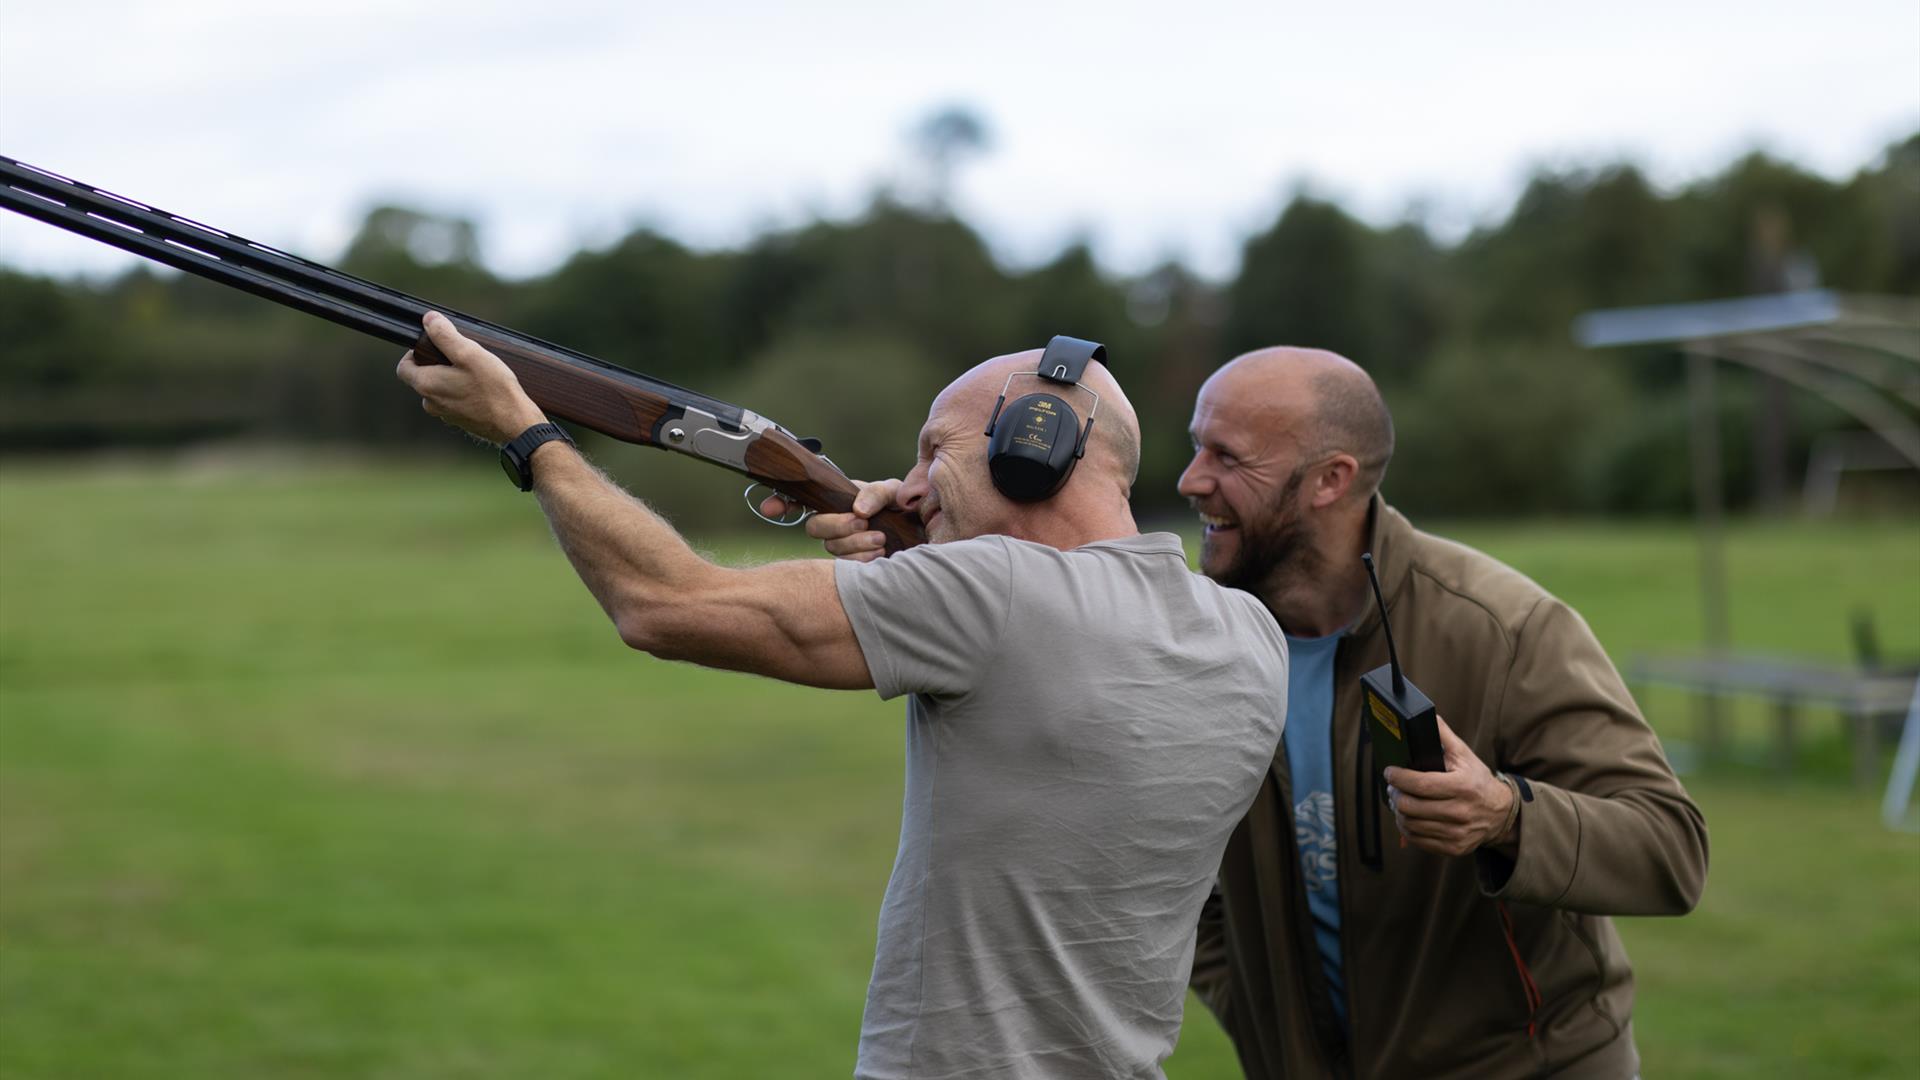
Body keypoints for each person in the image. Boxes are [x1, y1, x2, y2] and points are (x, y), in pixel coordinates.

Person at [395, 313, 1290, 1079]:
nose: (901, 487)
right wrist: (921, 554)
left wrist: (526, 431)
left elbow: (662, 606)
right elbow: (1063, 668)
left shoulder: (992, 597)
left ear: (1035, 446)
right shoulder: (1246, 635)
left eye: (934, 450)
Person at [801, 346, 1709, 1079]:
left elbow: (1671, 849)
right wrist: (931, 523)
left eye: (1227, 457)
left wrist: (1507, 817)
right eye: (1194, 445)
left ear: (1329, 480)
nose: (1190, 480)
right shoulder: (1196, 630)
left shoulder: (1506, 629)